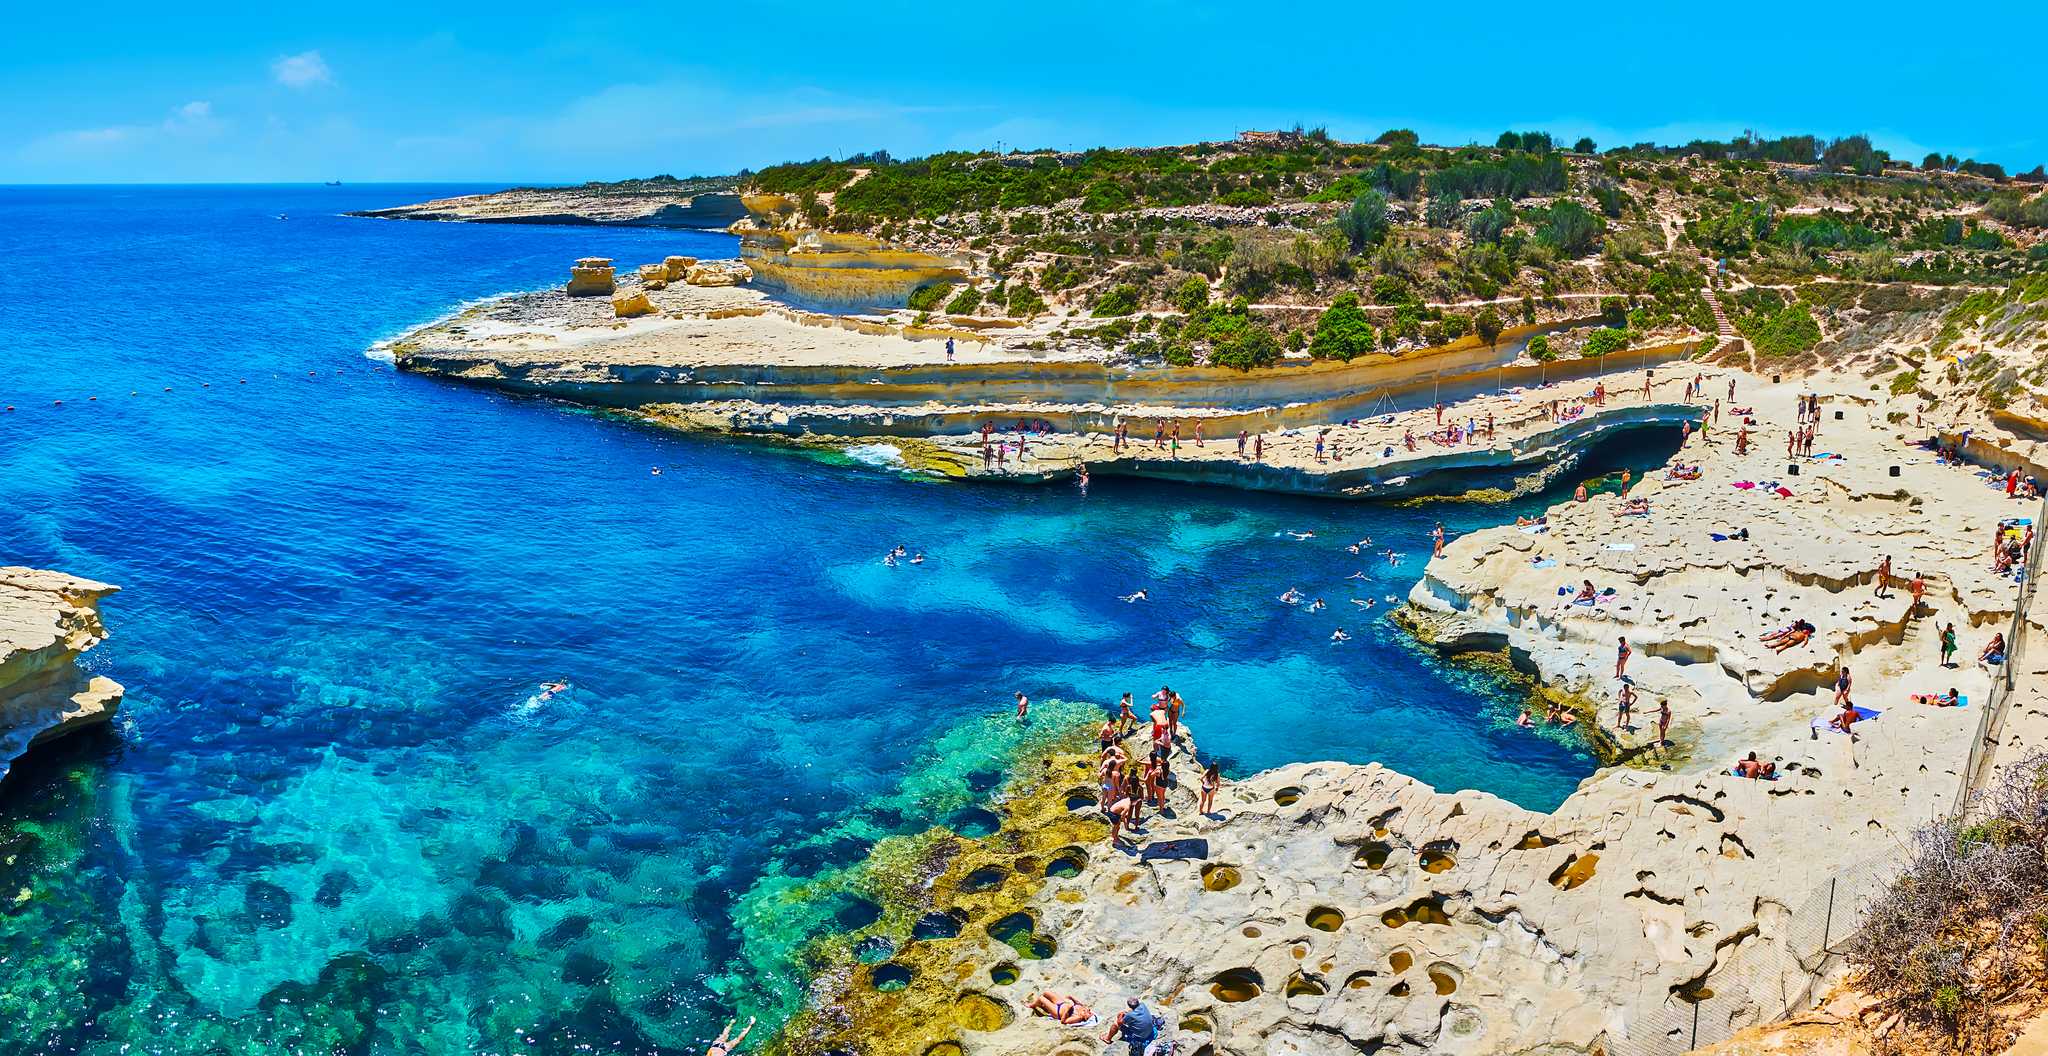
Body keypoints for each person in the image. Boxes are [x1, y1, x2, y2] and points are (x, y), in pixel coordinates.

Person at [1027, 992, 1095, 1026]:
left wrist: (1067, 1010)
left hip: (1057, 1011)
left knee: (1041, 998)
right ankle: (1044, 1006)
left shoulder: (1078, 1017)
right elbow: (1077, 1003)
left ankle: (1032, 1005)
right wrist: (1072, 999)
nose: (1089, 1011)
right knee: (1046, 993)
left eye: (1089, 1013)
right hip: (1062, 1003)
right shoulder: (1083, 1009)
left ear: (1085, 1018)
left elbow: (1063, 1021)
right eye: (1090, 1011)